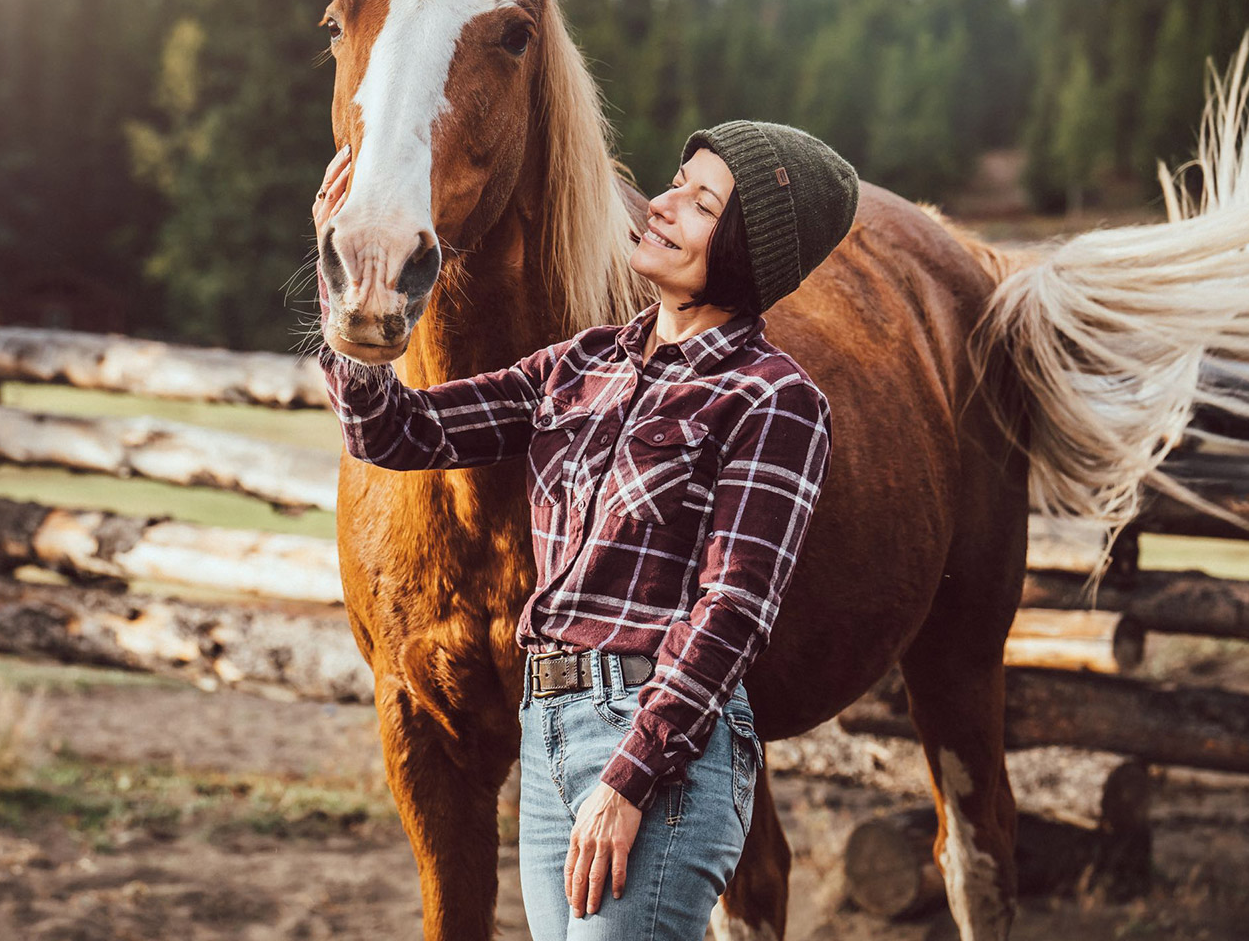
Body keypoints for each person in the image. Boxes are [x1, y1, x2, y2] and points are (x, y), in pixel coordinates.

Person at [312, 121, 857, 939]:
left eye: (702, 203)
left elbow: (733, 610)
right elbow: (401, 434)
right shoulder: (581, 364)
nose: (663, 205)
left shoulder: (773, 399)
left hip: (655, 747)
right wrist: (351, 285)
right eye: (679, 181)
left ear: (748, 250)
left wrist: (628, 780)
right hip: (551, 731)